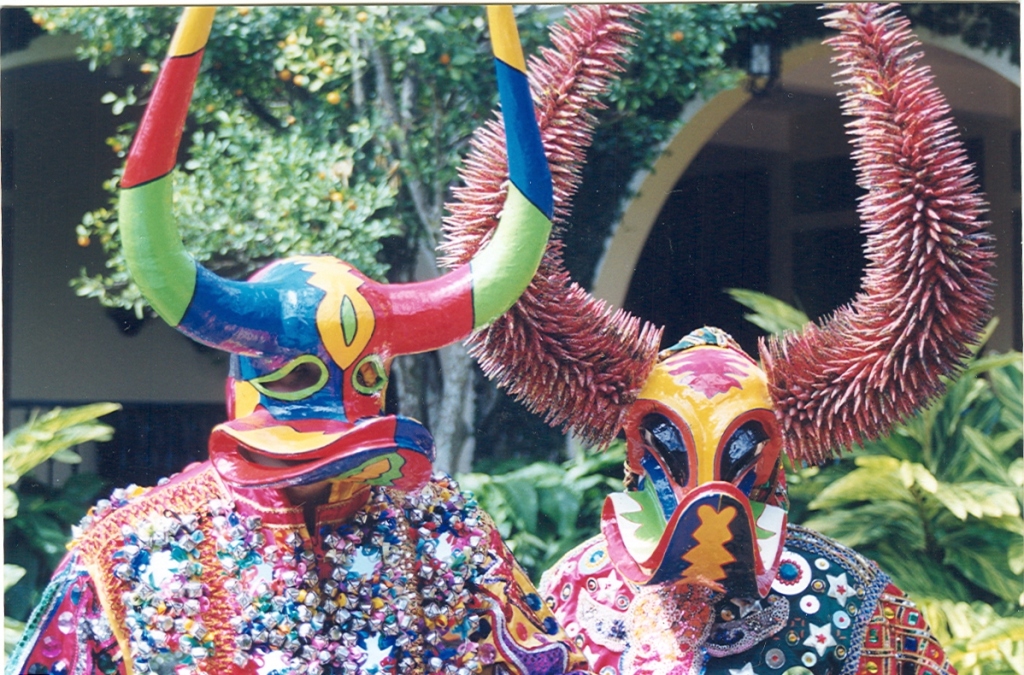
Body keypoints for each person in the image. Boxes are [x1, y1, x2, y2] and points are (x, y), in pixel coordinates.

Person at [7, 6, 592, 675]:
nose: (329, 429)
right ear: (241, 375)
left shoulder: (450, 533)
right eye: (293, 377)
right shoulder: (127, 549)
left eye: (364, 380)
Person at [442, 3, 993, 674]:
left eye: (741, 444)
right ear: (637, 444)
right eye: (670, 440)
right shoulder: (575, 594)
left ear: (772, 451)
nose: (707, 493)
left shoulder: (850, 603)